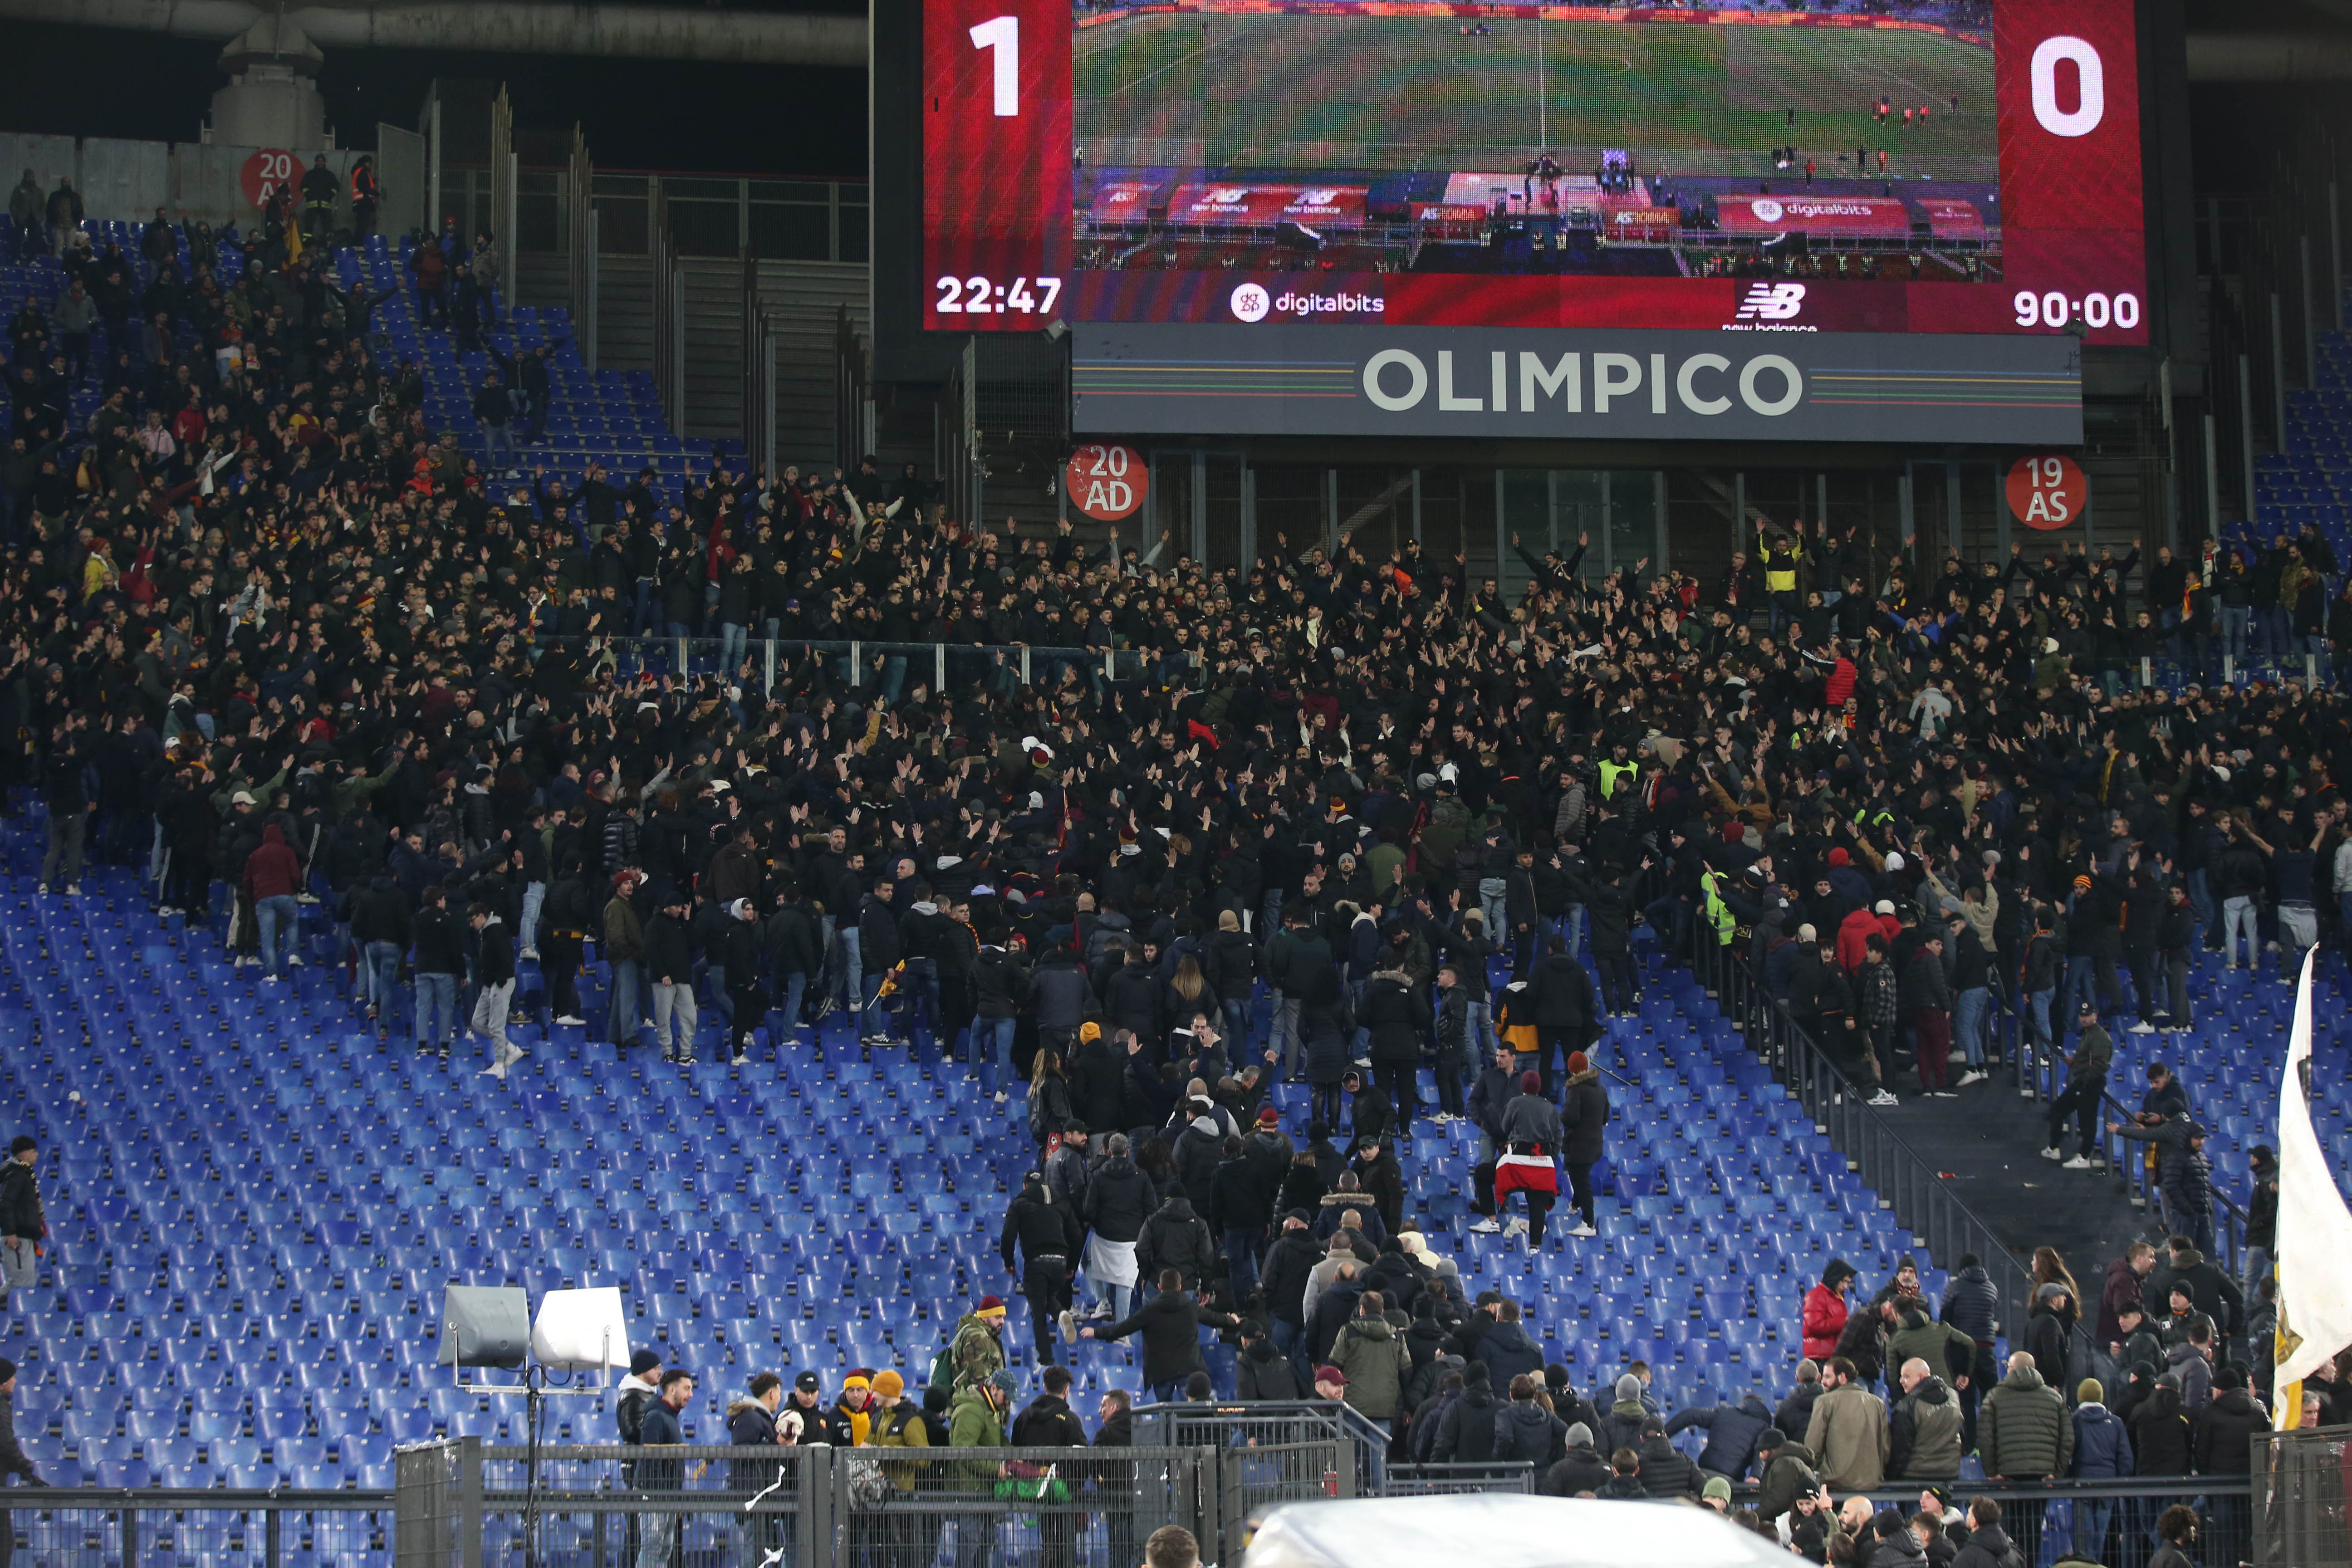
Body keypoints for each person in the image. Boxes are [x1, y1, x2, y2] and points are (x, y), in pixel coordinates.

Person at [1079, 1269, 1241, 1402]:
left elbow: (1122, 1329)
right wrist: (1232, 1321)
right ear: (1180, 1287)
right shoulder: (1191, 1307)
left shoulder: (1149, 1311)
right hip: (1189, 1369)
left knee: (1164, 1418)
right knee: (1192, 1416)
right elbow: (1215, 1319)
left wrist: (1096, 1332)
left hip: (1160, 1373)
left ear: (1159, 1287)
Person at [1979, 1352, 2069, 1558]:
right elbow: (2067, 1439)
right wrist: (2057, 1472)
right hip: (2040, 1476)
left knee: (2004, 1530)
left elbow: (1985, 1437)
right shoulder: (2054, 1397)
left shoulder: (1994, 1395)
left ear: (2013, 1369)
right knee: (2032, 1531)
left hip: (2005, 1476)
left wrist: (1992, 1472)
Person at [1000, 1170, 1081, 1367]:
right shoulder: (1062, 1204)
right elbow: (1077, 1236)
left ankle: (1046, 1362)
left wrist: (1008, 1262)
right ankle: (1061, 1313)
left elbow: (1008, 1236)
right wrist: (1072, 1266)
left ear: (1026, 1186)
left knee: (1038, 1312)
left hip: (1036, 1262)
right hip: (1060, 1261)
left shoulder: (1019, 1204)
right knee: (1048, 1299)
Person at [947, 1370, 1013, 1568]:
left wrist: (1014, 1459)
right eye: (1006, 1397)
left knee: (984, 1548)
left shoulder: (989, 1410)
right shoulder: (971, 1411)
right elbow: (963, 1453)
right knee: (970, 1549)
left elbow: (998, 1442)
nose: (1008, 1402)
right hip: (971, 1492)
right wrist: (997, 1469)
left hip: (985, 1492)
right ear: (994, 1389)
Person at [1493, 1070, 1563, 1248]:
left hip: (1517, 1163)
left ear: (1522, 1086)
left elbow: (1504, 1127)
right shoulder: (1550, 1107)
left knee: (1483, 1175)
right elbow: (1558, 1137)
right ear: (1539, 1087)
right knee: (1537, 1203)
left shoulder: (1516, 1102)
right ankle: (1535, 1246)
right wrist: (1550, 1158)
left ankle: (1492, 1219)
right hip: (1542, 1163)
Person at [634, 1368, 694, 1568]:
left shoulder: (670, 1417)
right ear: (671, 1389)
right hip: (654, 1495)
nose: (690, 1395)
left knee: (664, 1549)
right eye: (686, 1389)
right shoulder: (656, 1417)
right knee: (652, 1547)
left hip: (667, 1497)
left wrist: (675, 1499)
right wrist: (661, 1497)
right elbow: (651, 1461)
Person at [1803, 1355, 1888, 1491]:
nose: (1823, 1382)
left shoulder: (1824, 1402)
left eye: (1827, 1377)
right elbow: (1885, 1447)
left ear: (1842, 1377)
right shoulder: (1878, 1403)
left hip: (1836, 1484)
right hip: (1871, 1484)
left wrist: (1809, 1470)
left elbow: (1814, 1445)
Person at [2041, 1002, 2110, 1167]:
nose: (2085, 1019)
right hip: (2084, 1080)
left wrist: (2085, 1080)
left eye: (2088, 1015)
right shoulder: (2089, 1034)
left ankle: (2084, 1157)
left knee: (2087, 1119)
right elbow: (2089, 1059)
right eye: (2082, 1015)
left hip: (2091, 1082)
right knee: (2058, 1109)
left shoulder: (2099, 1036)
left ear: (2096, 1016)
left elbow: (2101, 1065)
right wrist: (2075, 1063)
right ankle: (2054, 1147)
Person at [468, 902, 521, 1079]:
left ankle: (499, 1065)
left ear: (483, 916)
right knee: (477, 1022)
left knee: (496, 1026)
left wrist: (501, 978)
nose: (471, 924)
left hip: (501, 982)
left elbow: (506, 956)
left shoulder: (496, 931)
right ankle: (511, 1049)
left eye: (473, 919)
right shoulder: (486, 932)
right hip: (490, 983)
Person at [0, 1137, 41, 1309]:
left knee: (25, 1282)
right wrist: (10, 1232)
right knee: (22, 1284)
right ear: (25, 1153)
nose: (37, 1155)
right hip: (18, 1237)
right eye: (34, 1151)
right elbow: (5, 1203)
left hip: (24, 1236)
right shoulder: (17, 1175)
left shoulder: (21, 1173)